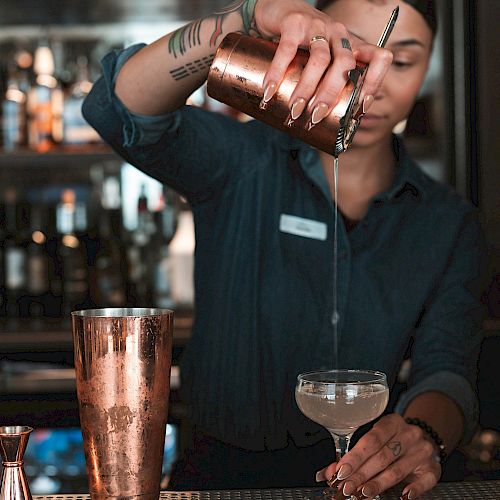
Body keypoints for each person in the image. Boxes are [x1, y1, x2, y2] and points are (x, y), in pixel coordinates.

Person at [82, 0, 485, 498]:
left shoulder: (446, 221)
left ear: (427, 67)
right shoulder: (243, 161)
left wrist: (423, 435)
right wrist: (248, 18)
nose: (370, 83)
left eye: (401, 62)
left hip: (362, 482)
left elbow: (447, 368)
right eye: (345, 51)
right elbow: (116, 107)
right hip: (221, 480)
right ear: (311, 50)